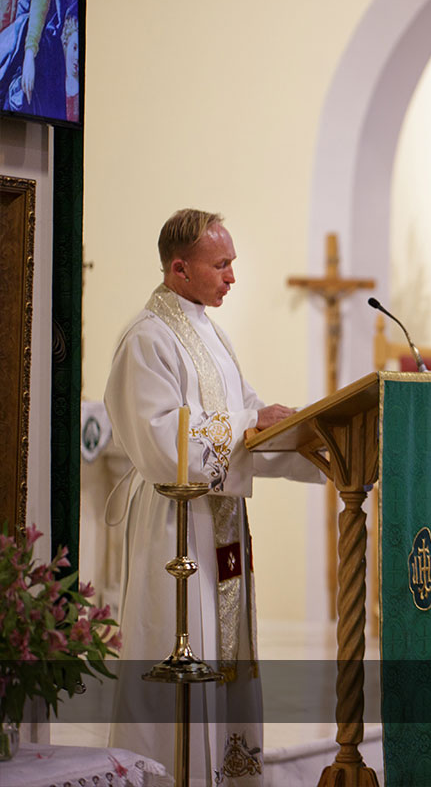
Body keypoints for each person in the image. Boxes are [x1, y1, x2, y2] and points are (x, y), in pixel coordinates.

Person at [105, 209, 323, 785]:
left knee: (224, 660)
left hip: (219, 524)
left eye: (232, 264)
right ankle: (170, 776)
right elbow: (162, 442)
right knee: (179, 653)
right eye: (221, 264)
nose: (232, 277)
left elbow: (246, 424)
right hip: (174, 531)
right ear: (180, 269)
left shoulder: (206, 329)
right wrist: (252, 421)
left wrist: (314, 440)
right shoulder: (148, 337)